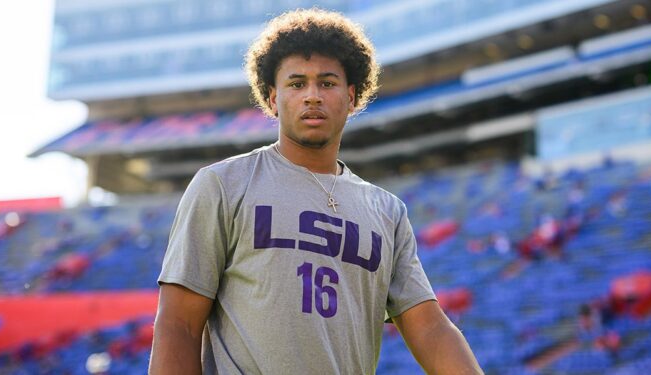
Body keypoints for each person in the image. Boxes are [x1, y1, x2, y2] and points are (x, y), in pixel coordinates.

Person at [149, 8, 483, 375]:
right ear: (273, 99)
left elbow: (430, 328)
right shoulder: (223, 184)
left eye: (327, 83)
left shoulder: (388, 211)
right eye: (296, 84)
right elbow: (178, 324)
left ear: (352, 97)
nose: (312, 96)